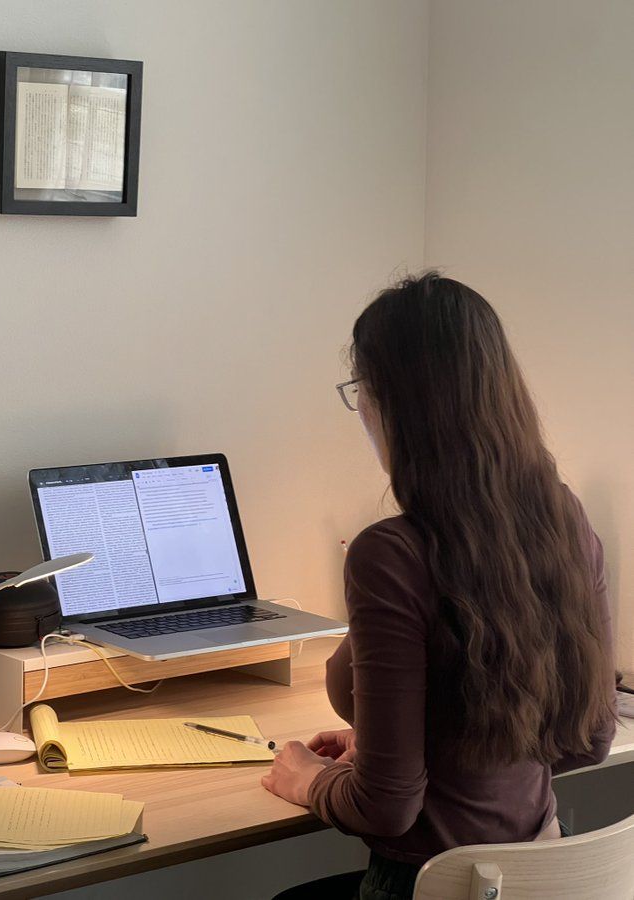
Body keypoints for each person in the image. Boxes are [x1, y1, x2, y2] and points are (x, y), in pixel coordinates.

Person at [262, 272, 617, 899]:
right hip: (542, 870)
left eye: (361, 391)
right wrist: (413, 744)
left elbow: (386, 809)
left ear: (393, 404)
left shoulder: (390, 556)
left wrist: (306, 778)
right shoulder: (564, 519)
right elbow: (590, 738)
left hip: (428, 885)